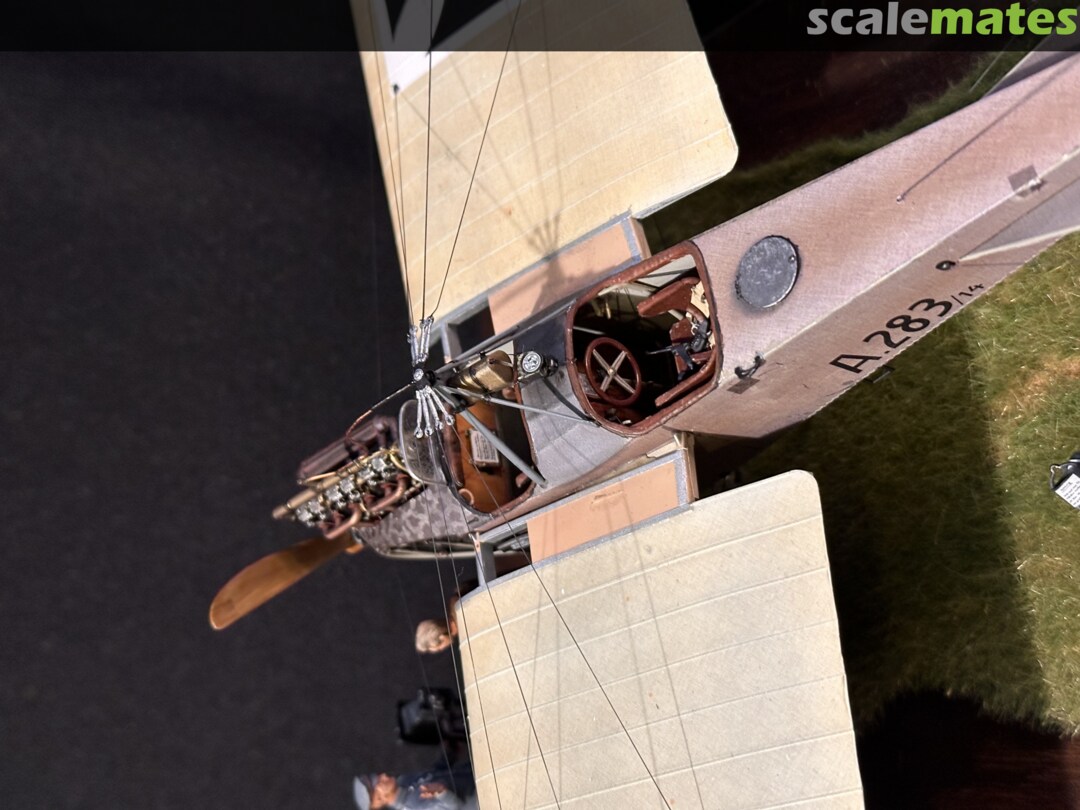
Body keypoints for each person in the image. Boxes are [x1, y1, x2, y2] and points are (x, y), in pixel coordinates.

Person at [353, 769, 475, 810]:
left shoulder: (403, 781)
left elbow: (432, 773)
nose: (384, 775)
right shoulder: (412, 807)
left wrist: (448, 754)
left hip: (470, 773)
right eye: (379, 782)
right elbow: (457, 808)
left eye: (378, 776)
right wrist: (442, 793)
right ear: (379, 799)